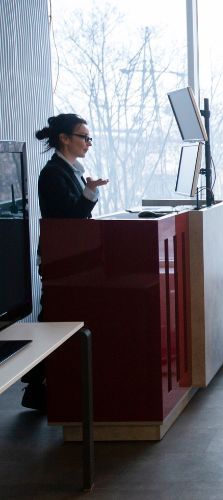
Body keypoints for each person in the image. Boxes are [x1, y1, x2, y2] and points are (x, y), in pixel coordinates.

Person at [23, 114, 109, 411]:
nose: (88, 143)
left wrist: (89, 191)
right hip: (60, 260)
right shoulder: (53, 174)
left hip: (69, 259)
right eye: (83, 137)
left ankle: (39, 389)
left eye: (89, 138)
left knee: (55, 320)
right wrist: (90, 192)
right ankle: (38, 389)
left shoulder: (69, 170)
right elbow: (68, 218)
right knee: (53, 322)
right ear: (65, 138)